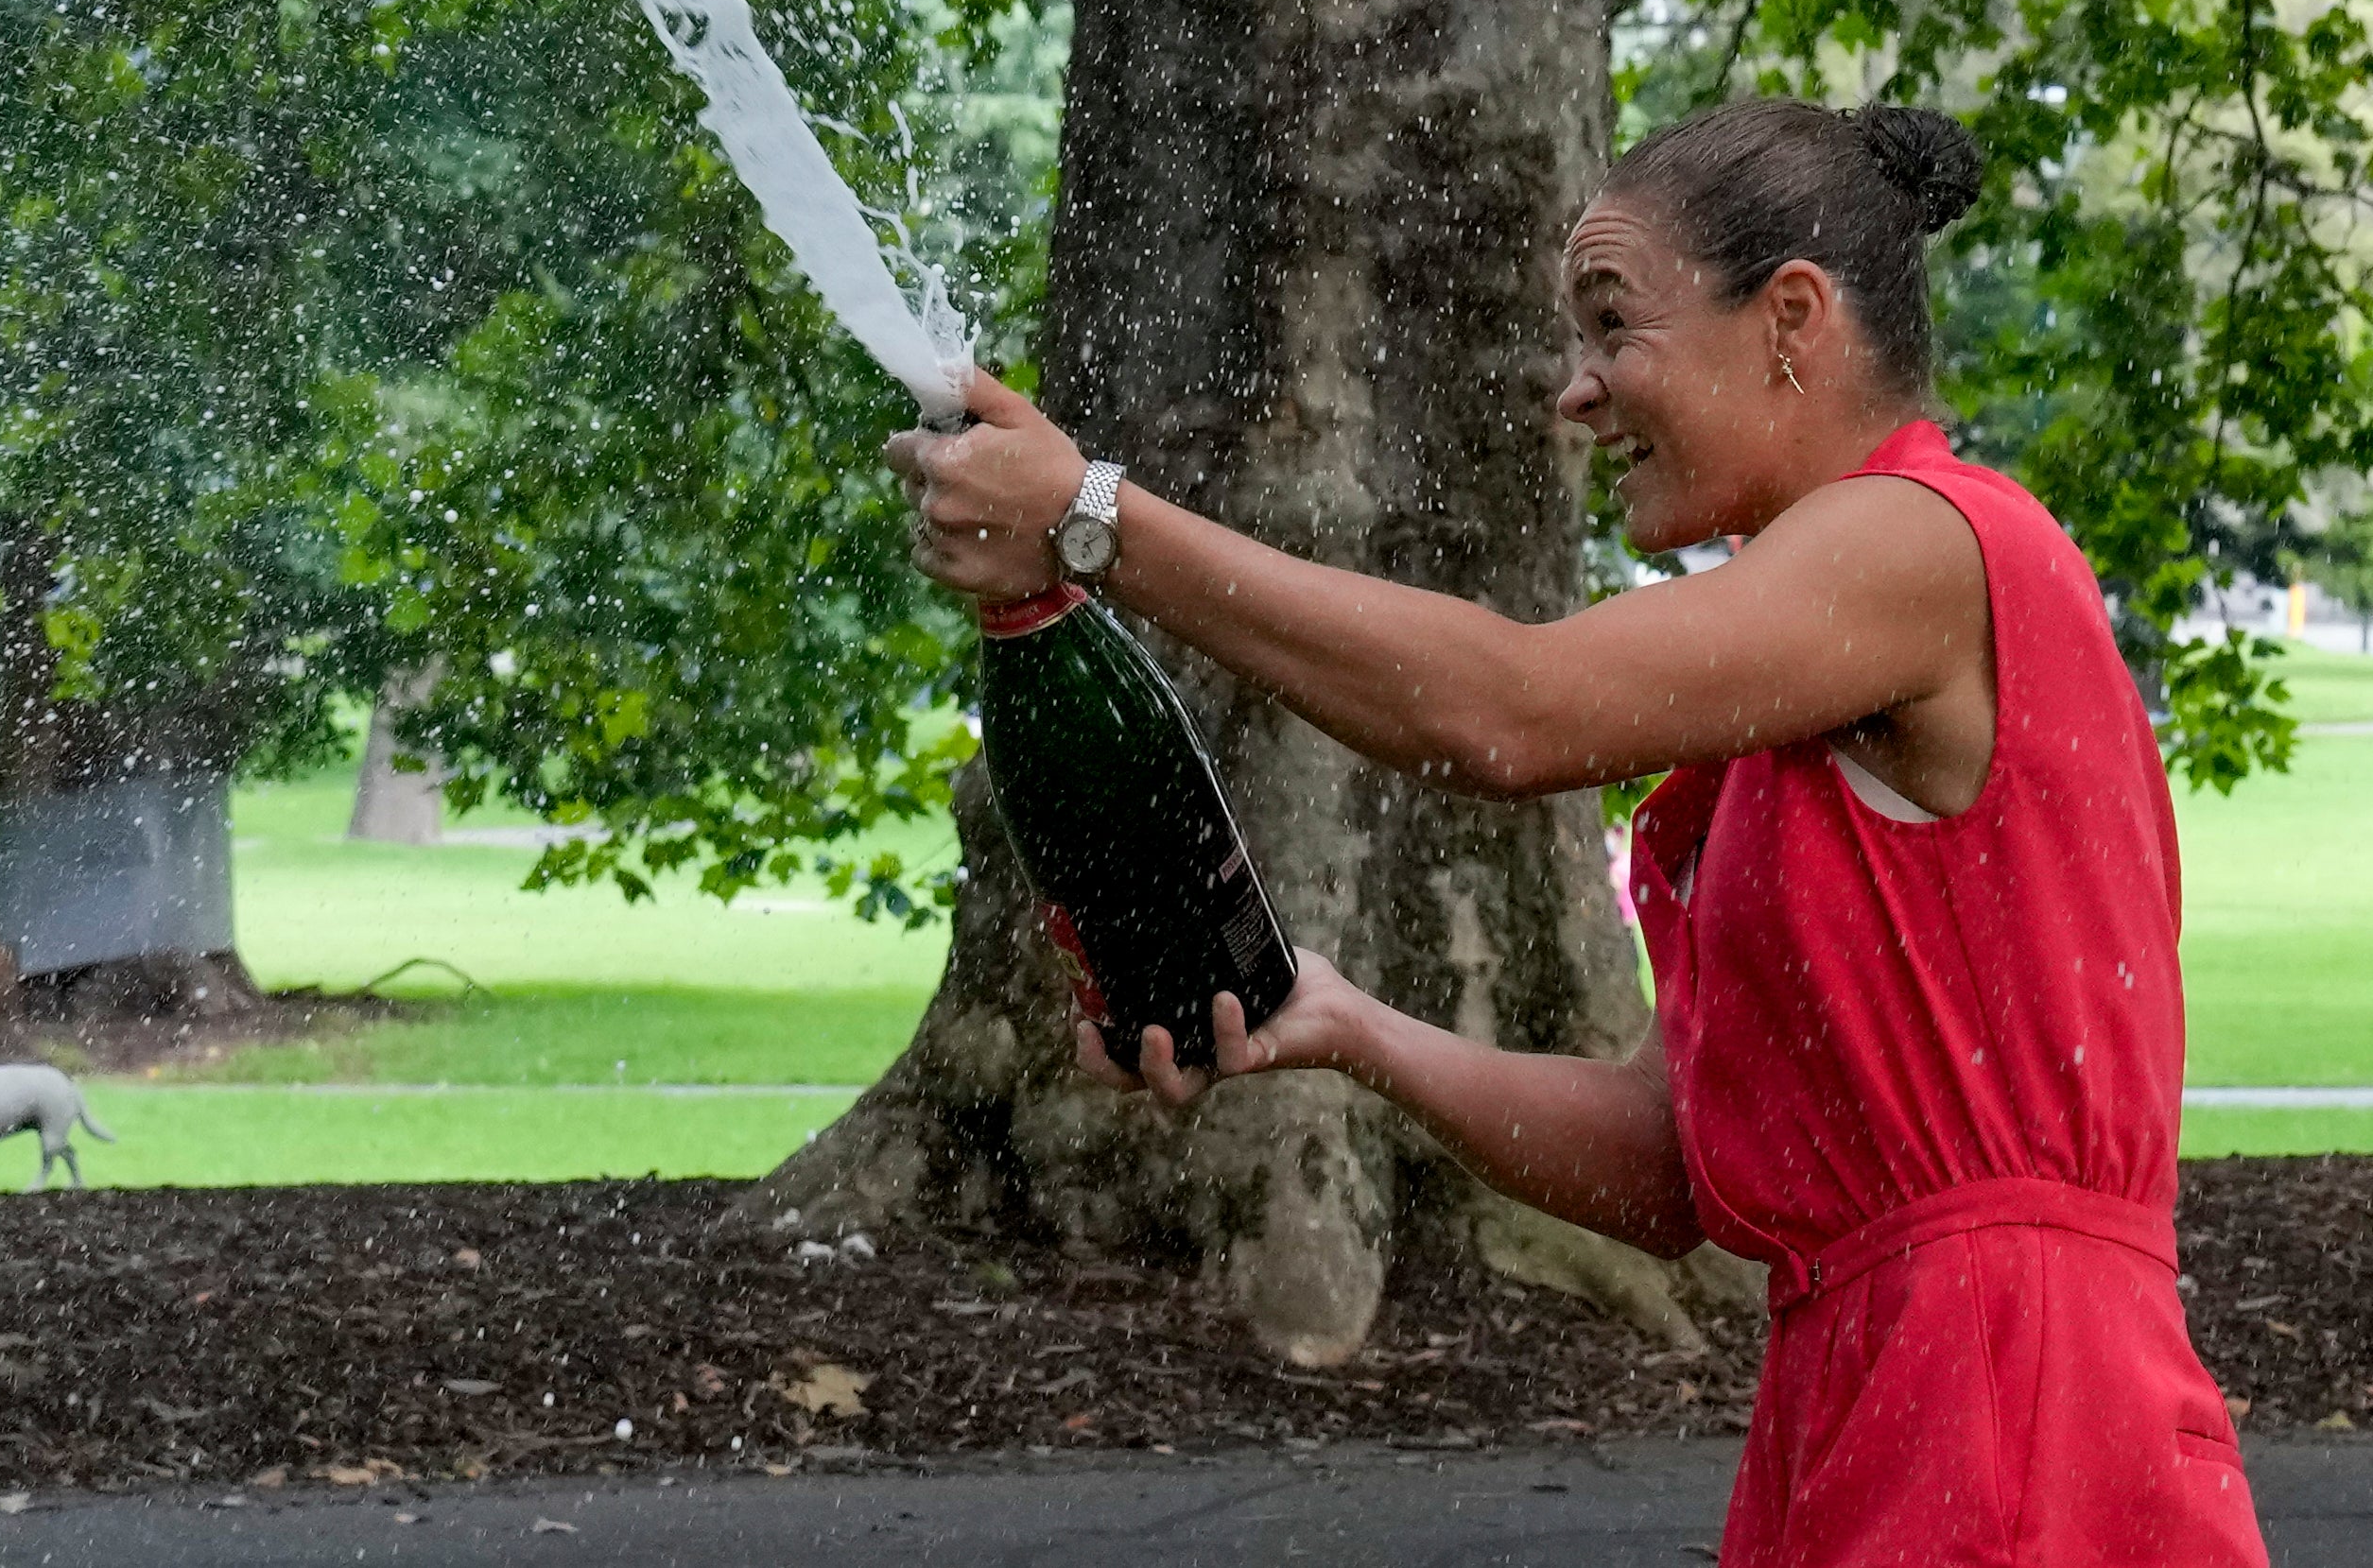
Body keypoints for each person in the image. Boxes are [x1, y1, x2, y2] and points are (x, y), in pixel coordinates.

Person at [892, 99, 2266, 1568]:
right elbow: (1671, 1173)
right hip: (1881, 1393)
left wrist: (1093, 518)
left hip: (2014, 1407)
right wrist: (1346, 1021)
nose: (1574, 390)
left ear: (1788, 315)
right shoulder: (1793, 714)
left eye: (1611, 325)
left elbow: (1509, 710)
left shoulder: (1925, 538)